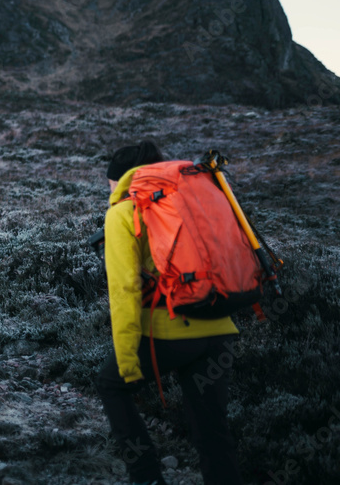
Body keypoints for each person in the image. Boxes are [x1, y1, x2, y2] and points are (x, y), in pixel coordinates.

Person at [97, 141, 243, 485]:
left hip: (170, 335)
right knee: (213, 433)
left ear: (122, 180)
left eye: (109, 184)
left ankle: (147, 478)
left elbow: (124, 293)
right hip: (219, 329)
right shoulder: (196, 201)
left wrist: (128, 362)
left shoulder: (123, 212)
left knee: (111, 384)